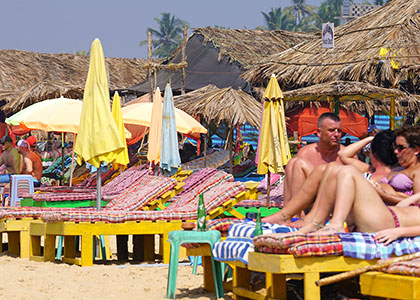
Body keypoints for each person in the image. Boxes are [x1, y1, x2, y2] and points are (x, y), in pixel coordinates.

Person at [276, 126, 420, 237]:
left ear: (416, 150)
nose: (396, 151)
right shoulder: (396, 170)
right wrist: (371, 139)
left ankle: (333, 223)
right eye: (395, 147)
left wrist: (400, 232)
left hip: (388, 220)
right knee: (332, 168)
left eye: (400, 148)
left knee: (347, 171)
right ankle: (312, 222)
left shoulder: (417, 171)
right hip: (378, 213)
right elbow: (343, 155)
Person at [263, 129, 398, 225]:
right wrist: (371, 139)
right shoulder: (369, 169)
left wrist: (370, 140)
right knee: (315, 166)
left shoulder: (393, 175)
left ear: (373, 154)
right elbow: (343, 155)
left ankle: (294, 216)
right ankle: (288, 214)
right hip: (335, 200)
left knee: (326, 168)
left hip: (352, 208)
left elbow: (343, 155)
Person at [283, 112, 345, 205]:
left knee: (297, 163)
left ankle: (294, 213)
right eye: (331, 130)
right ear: (319, 132)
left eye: (339, 131)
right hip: (309, 202)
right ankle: (291, 213)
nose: (336, 134)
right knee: (292, 163)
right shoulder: (306, 153)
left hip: (335, 203)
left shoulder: (345, 154)